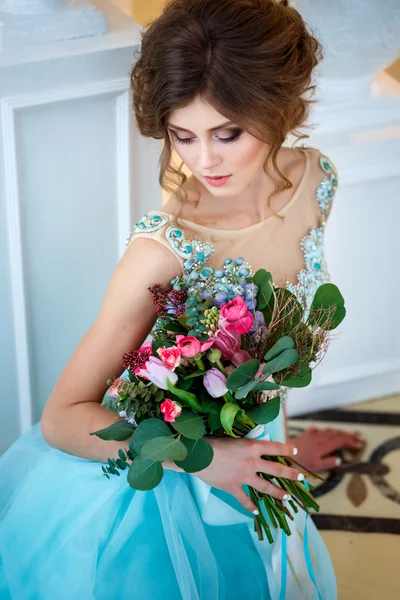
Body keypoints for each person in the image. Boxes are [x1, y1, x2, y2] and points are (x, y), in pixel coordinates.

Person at [0, 1, 365, 598]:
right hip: (151, 488)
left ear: (278, 109)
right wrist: (211, 460)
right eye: (182, 135)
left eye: (228, 133)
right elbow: (62, 418)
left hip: (244, 464)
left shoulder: (316, 181)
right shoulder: (165, 251)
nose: (204, 161)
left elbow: (268, 357)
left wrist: (280, 448)